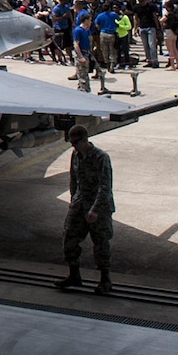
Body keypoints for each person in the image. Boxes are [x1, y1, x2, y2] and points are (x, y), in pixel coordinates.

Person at [54, 124, 114, 295]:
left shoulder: (101, 158)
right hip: (80, 203)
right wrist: (73, 200)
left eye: (76, 142)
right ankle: (74, 275)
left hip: (99, 206)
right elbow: (74, 179)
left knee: (101, 243)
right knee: (69, 237)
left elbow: (105, 187)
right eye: (72, 143)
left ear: (85, 140)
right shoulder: (76, 155)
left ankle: (105, 280)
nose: (73, 146)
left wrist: (95, 210)